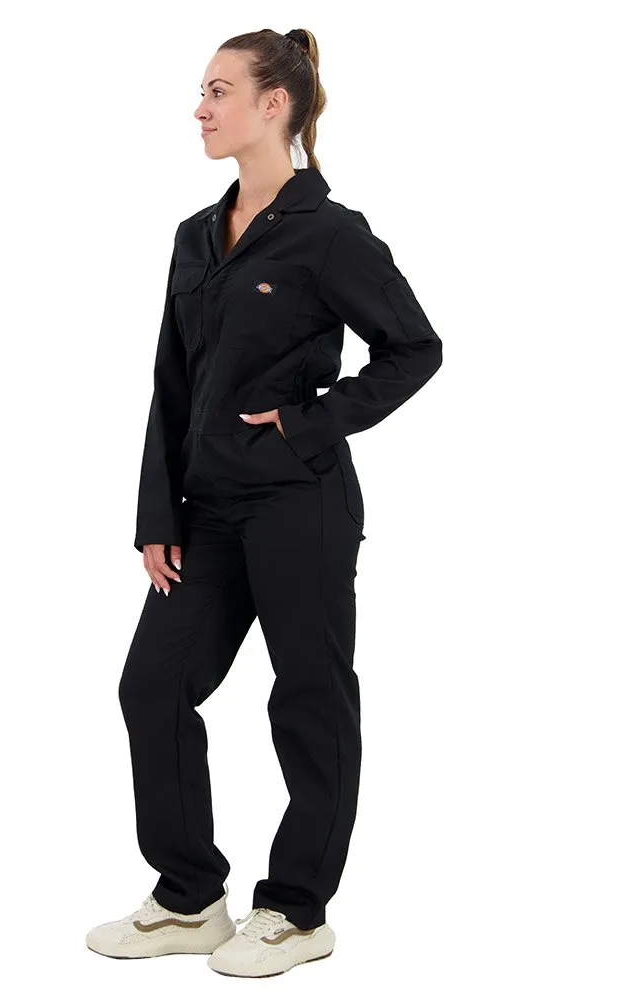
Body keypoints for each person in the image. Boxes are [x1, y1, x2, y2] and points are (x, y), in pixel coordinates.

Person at [85, 28, 442, 978]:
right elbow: (171, 380)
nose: (200, 108)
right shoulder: (195, 235)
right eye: (202, 92)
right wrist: (157, 515)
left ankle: (296, 911)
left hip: (299, 505)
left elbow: (416, 349)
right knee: (152, 687)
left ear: (273, 104)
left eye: (218, 90)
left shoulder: (331, 233)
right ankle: (190, 896)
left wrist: (309, 422)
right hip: (206, 511)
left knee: (310, 699)